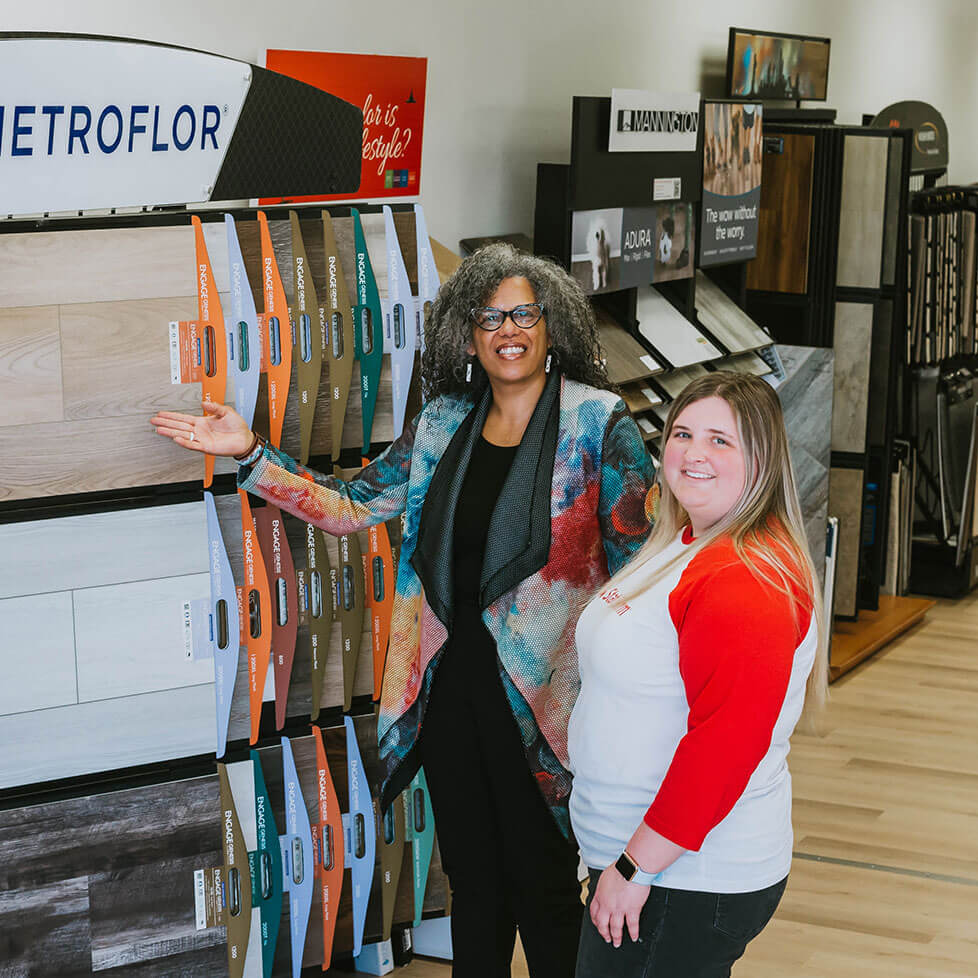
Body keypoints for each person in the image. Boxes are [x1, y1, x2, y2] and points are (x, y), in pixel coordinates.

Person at [151, 243, 655, 978]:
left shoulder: (599, 424)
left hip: (548, 707)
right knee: (475, 890)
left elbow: (636, 574)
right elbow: (353, 505)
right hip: (449, 695)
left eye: (523, 313)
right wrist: (249, 451)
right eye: (490, 317)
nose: (507, 329)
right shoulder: (443, 422)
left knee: (546, 890)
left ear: (552, 325)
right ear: (468, 331)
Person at [568, 371, 827, 978]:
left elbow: (724, 746)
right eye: (683, 433)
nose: (693, 453)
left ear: (760, 460)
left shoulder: (743, 577)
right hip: (650, 867)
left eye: (720, 440)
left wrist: (635, 869)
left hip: (682, 877)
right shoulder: (688, 541)